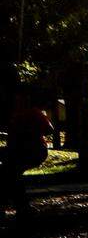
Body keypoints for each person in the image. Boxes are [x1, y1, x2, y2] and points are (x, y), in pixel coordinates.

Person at [0, 85, 53, 220]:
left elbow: (49, 129)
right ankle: (19, 206)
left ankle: (19, 206)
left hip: (33, 151)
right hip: (17, 151)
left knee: (10, 173)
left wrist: (29, 130)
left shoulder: (32, 113)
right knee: (10, 174)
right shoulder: (12, 114)